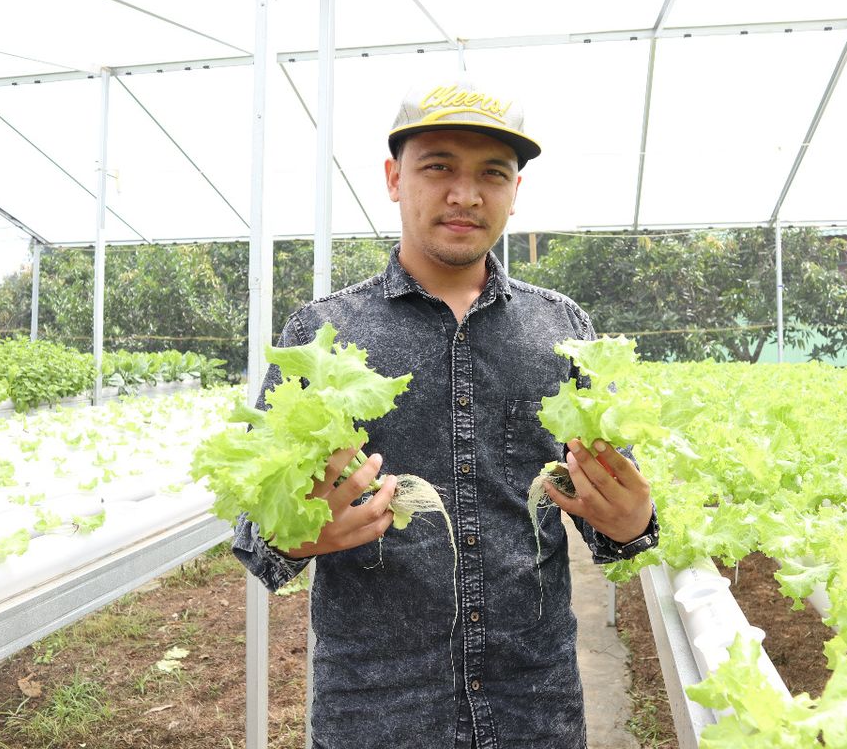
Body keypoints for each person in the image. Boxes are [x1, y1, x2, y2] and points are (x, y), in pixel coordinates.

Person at [234, 78, 658, 749]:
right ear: (393, 179)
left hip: (534, 701)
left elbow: (617, 529)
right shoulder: (323, 332)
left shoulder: (563, 327)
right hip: (376, 709)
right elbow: (259, 541)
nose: (466, 194)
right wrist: (294, 534)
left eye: (493, 173)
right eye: (438, 168)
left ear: (516, 192)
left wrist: (634, 522)